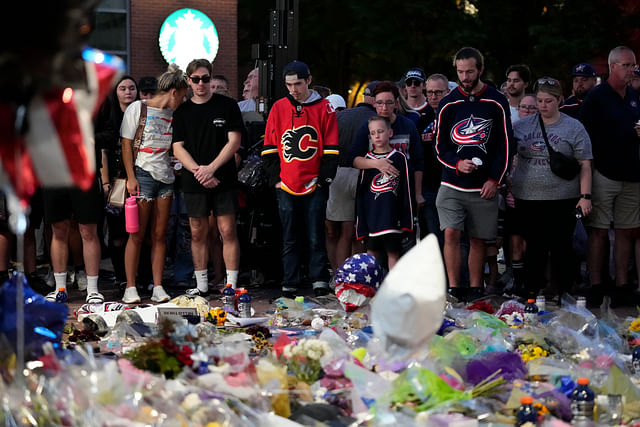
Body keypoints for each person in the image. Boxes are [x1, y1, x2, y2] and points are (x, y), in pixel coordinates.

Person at [435, 47, 512, 302]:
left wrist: (495, 180)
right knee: (451, 233)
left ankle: (476, 289)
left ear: (480, 69)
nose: (465, 77)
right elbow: (439, 146)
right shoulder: (448, 103)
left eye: (469, 71)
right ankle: (455, 288)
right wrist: (457, 163)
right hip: (452, 184)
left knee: (479, 239)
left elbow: (506, 145)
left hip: (483, 186)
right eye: (460, 72)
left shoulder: (496, 101)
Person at [261, 60, 339, 298]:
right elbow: (270, 147)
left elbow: (332, 149)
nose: (293, 90)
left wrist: (323, 180)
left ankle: (318, 278)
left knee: (316, 233)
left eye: (297, 84)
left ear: (308, 81)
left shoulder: (325, 108)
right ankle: (290, 280)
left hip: (314, 182)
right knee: (289, 234)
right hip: (286, 183)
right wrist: (276, 179)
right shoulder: (279, 108)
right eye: (289, 85)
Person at [511, 77, 593, 299]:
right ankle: (531, 292)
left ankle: (564, 292)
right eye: (539, 100)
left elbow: (585, 163)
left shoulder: (573, 127)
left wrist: (585, 196)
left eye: (548, 100)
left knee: (562, 247)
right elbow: (507, 157)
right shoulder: (521, 126)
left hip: (563, 197)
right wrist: (507, 185)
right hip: (527, 196)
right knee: (534, 247)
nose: (543, 105)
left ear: (559, 100)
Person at [172, 58, 244, 295]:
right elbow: (177, 147)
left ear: (211, 79)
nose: (201, 83)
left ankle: (231, 283)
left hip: (223, 176)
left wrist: (211, 168)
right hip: (194, 178)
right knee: (196, 230)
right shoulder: (182, 111)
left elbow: (234, 142)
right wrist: (199, 171)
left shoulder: (228, 105)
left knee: (227, 230)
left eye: (205, 78)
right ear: (189, 81)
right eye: (196, 79)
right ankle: (201, 284)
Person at [120, 63, 188, 303]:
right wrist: (131, 176)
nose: (182, 99)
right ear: (173, 92)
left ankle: (157, 286)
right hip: (143, 174)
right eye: (182, 95)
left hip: (166, 176)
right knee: (136, 234)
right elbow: (126, 143)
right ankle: (130, 286)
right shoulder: (138, 108)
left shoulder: (175, 115)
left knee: (160, 234)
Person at [581, 46, 640, 306]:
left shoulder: (635, 96)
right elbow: (583, 137)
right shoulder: (596, 97)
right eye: (627, 65)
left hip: (632, 173)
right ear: (612, 66)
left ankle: (622, 285)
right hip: (603, 171)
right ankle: (596, 283)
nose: (632, 70)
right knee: (599, 231)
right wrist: (588, 173)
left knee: (628, 231)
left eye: (634, 65)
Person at [325, 81, 378, 273]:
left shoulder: (342, 116)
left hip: (337, 173)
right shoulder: (378, 118)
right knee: (355, 233)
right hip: (366, 173)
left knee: (341, 232)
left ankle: (340, 275)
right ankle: (357, 277)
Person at [95, 74, 139, 288]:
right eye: (123, 88)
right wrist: (105, 183)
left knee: (140, 231)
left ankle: (141, 277)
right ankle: (121, 276)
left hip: (140, 178)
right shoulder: (110, 117)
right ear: (116, 92)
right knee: (117, 232)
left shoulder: (143, 113)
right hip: (114, 180)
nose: (128, 92)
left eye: (132, 88)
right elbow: (103, 151)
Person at [355, 116, 413, 270]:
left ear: (390, 132)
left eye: (380, 131)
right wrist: (361, 225)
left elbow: (407, 190)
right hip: (372, 218)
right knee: (371, 253)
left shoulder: (399, 158)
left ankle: (394, 292)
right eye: (373, 133)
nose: (377, 136)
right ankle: (370, 290)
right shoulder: (367, 160)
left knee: (393, 254)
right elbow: (360, 194)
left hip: (392, 218)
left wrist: (407, 221)